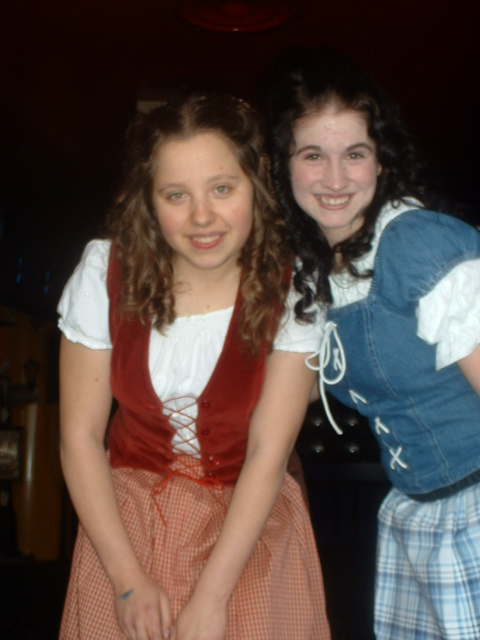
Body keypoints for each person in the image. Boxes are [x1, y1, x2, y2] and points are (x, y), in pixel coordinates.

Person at [57, 89, 331, 640]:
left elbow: (268, 453)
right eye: (176, 195)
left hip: (248, 530)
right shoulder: (105, 272)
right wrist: (127, 582)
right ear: (148, 200)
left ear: (257, 186)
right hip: (125, 527)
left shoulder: (295, 286)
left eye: (222, 188)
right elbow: (79, 438)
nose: (202, 216)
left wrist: (211, 597)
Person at [267, 51, 480, 640]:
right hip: (414, 510)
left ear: (382, 161)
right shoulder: (316, 275)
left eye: (355, 154)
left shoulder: (416, 243)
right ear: (284, 166)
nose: (335, 179)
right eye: (313, 155)